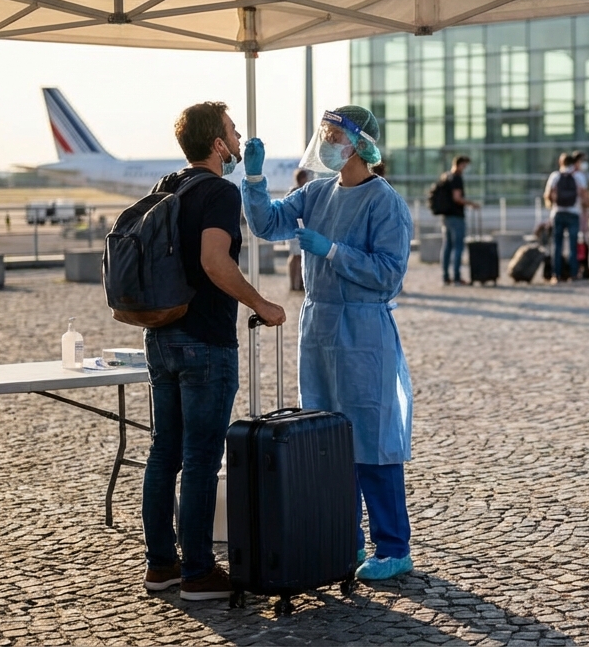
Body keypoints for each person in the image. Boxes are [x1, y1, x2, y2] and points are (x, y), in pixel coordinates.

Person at [241, 105, 416, 582]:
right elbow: (267, 225)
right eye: (325, 133)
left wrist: (334, 251)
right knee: (325, 440)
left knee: (370, 439)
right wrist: (254, 181)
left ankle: (393, 546)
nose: (327, 142)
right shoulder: (316, 192)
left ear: (361, 145)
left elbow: (387, 275)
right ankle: (345, 539)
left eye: (336, 134)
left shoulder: (386, 203)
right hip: (319, 327)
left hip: (364, 331)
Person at [141, 101, 287, 601]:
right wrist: (262, 303)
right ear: (218, 144)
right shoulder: (219, 192)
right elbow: (214, 261)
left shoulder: (167, 187)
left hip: (160, 337)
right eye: (232, 130)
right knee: (201, 458)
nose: (240, 135)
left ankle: (161, 565)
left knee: (165, 454)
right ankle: (199, 573)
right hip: (204, 341)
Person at [544, 153, 587, 283]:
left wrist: (552, 206)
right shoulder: (578, 176)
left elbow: (547, 195)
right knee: (573, 245)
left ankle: (556, 275)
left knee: (557, 245)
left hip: (558, 213)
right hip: (574, 213)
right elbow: (584, 195)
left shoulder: (555, 176)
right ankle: (573, 274)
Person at [437, 155, 481, 286]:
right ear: (460, 164)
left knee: (447, 246)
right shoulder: (456, 178)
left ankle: (446, 276)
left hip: (446, 216)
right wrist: (471, 204)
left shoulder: (446, 176)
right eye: (465, 165)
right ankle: (456, 277)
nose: (465, 168)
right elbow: (457, 198)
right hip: (456, 216)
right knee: (458, 247)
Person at [287, 168, 314, 290]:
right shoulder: (295, 192)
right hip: (296, 228)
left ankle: (301, 283)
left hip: (301, 228)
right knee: (296, 256)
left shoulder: (303, 192)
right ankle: (294, 283)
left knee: (300, 256)